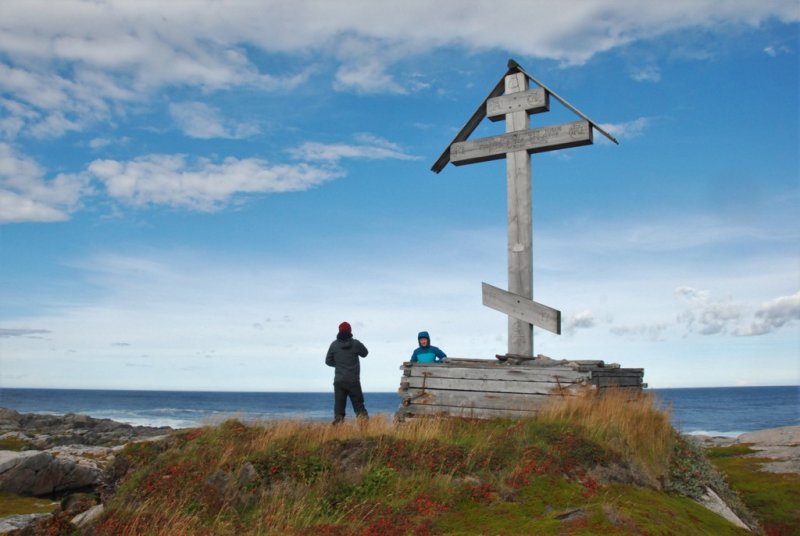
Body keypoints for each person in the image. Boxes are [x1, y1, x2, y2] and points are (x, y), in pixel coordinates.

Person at [325, 321, 369, 424]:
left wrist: (339, 365)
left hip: (339, 381)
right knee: (359, 407)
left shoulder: (334, 345)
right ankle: (365, 431)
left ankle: (337, 432)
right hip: (353, 381)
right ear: (350, 331)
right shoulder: (356, 344)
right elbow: (365, 353)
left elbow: (328, 361)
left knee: (339, 410)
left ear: (339, 331)